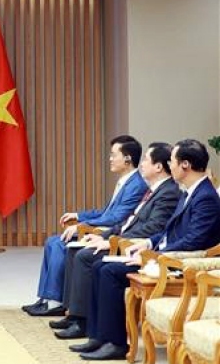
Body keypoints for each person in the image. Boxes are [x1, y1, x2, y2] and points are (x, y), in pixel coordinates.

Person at [76, 138, 220, 360]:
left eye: (172, 161)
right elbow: (167, 230)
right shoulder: (188, 191)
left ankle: (115, 343)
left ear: (185, 165)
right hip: (164, 255)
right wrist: (148, 243)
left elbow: (194, 241)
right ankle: (99, 336)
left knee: (109, 272)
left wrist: (154, 257)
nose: (169, 165)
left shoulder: (206, 198)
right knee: (98, 266)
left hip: (181, 265)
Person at [52, 142, 180, 339]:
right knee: (78, 250)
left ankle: (84, 322)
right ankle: (77, 316)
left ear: (158, 167)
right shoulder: (154, 189)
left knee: (87, 257)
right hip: (126, 241)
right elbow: (128, 222)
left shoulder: (169, 192)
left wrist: (114, 240)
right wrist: (103, 236)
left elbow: (153, 228)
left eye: (146, 159)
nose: (142, 163)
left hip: (136, 247)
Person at [22, 135, 147, 316]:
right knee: (51, 242)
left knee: (58, 244)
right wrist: (79, 215)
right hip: (102, 228)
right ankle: (46, 298)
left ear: (127, 159)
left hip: (109, 233)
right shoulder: (125, 181)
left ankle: (55, 302)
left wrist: (83, 224)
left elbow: (116, 217)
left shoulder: (136, 185)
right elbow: (106, 211)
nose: (110, 159)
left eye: (114, 155)